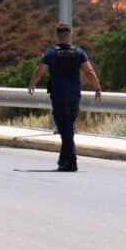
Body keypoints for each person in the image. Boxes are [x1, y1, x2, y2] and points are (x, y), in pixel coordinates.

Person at [28, 24, 102, 172]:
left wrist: (32, 83)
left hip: (59, 94)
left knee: (65, 128)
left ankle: (72, 161)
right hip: (74, 95)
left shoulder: (51, 52)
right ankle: (63, 160)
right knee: (68, 127)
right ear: (70, 35)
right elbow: (89, 71)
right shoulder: (79, 52)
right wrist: (97, 87)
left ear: (58, 36)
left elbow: (40, 70)